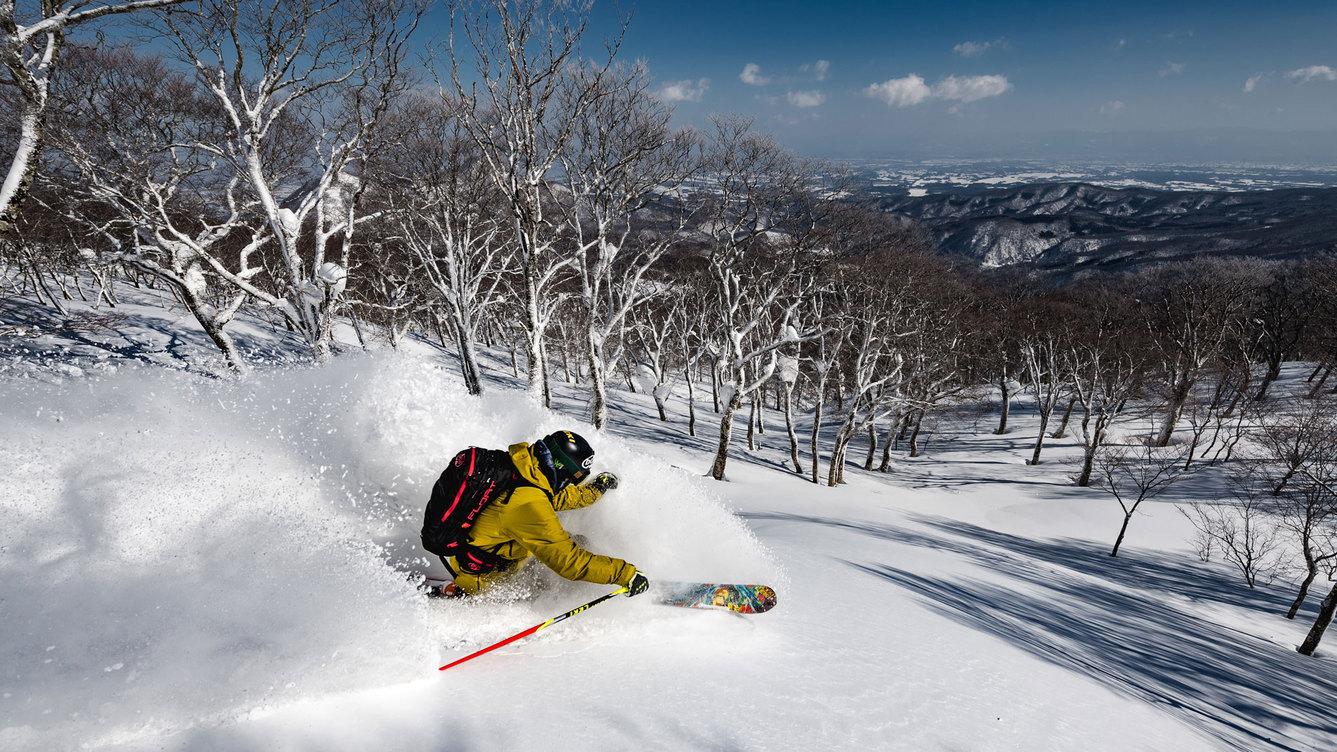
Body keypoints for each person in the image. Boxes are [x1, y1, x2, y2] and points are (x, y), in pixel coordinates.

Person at [428, 430, 650, 599]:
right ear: (560, 468)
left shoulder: (525, 471)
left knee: (577, 541)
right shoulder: (528, 504)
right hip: (488, 578)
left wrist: (596, 489)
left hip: (486, 554)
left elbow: (561, 497)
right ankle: (463, 591)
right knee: (571, 554)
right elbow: (569, 562)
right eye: (571, 478)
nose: (569, 484)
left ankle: (597, 575)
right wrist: (625, 574)